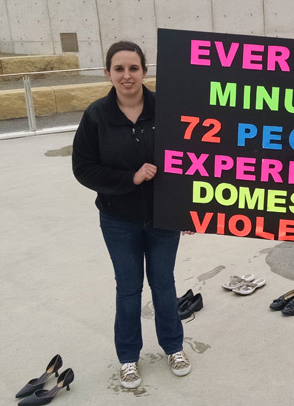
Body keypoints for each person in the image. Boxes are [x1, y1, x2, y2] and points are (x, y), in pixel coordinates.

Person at [72, 41, 191, 389]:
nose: (127, 76)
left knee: (164, 285)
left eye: (133, 68)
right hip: (118, 219)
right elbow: (83, 168)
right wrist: (130, 179)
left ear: (145, 71)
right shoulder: (96, 115)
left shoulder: (168, 110)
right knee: (128, 289)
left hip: (163, 218)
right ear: (108, 72)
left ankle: (174, 347)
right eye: (119, 69)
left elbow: (190, 161)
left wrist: (187, 209)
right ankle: (128, 357)